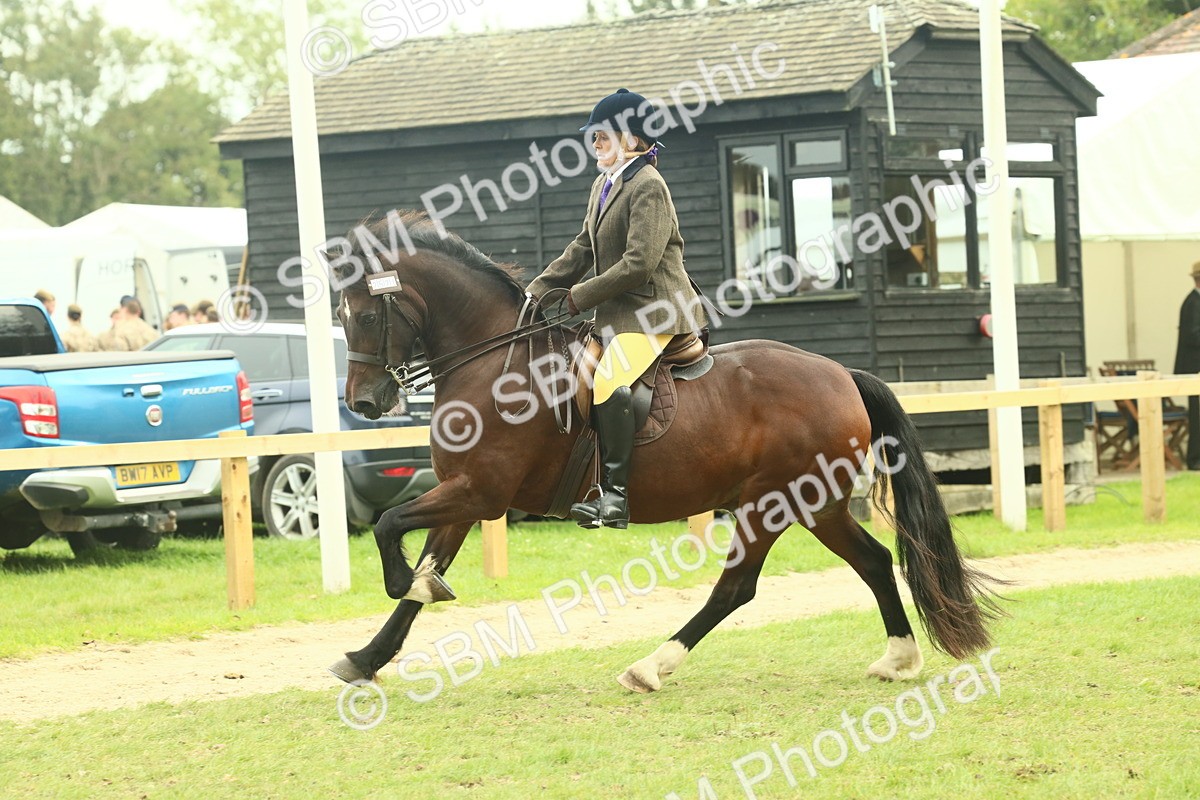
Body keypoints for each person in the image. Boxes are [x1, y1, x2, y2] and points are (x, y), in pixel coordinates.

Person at [525, 88, 707, 529]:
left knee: (608, 379)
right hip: (620, 314)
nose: (594, 144)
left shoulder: (649, 186)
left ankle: (616, 498)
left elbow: (639, 264)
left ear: (630, 139)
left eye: (602, 136)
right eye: (593, 137)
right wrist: (535, 293)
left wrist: (577, 297)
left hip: (658, 311)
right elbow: (582, 247)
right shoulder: (604, 184)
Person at [1175, 261, 1200, 470]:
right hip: (1195, 368)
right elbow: (1193, 335)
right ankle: (1195, 459)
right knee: (1197, 415)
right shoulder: (1193, 303)